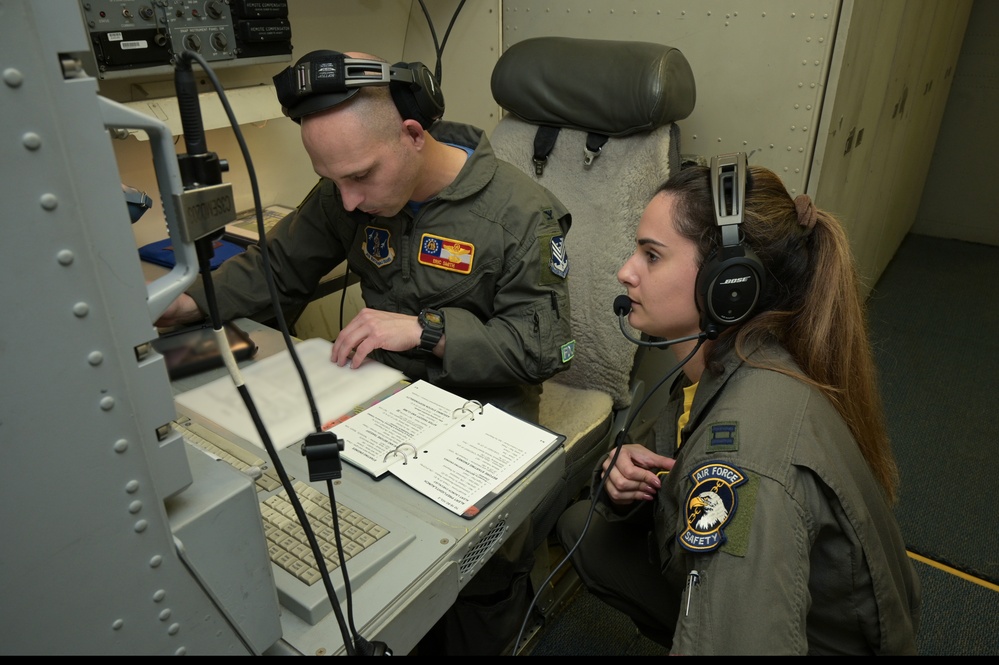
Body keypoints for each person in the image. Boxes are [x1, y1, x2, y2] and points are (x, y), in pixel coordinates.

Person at [157, 49, 575, 655]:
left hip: (483, 414)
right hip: (378, 403)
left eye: (358, 177)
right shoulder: (346, 187)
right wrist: (188, 301)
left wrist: (426, 332)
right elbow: (280, 267)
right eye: (334, 181)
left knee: (474, 581)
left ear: (412, 135)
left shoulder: (519, 214)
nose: (346, 201)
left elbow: (547, 347)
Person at [556, 154, 921, 655]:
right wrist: (618, 475)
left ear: (730, 284)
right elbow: (674, 457)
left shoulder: (746, 459)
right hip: (791, 604)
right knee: (588, 526)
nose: (625, 272)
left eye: (652, 255)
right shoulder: (739, 359)